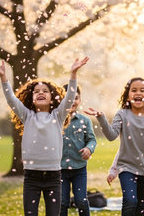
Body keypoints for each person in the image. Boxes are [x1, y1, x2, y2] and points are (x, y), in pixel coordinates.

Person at [0, 57, 89, 216]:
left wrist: (73, 74)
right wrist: (3, 78)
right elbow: (11, 99)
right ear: (31, 98)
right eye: (36, 91)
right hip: (31, 177)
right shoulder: (27, 116)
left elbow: (69, 98)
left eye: (45, 91)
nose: (40, 93)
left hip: (54, 177)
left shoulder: (58, 116)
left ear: (52, 96)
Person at [84, 77, 144, 216]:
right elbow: (111, 136)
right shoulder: (122, 114)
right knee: (130, 202)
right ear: (127, 96)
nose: (138, 93)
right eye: (133, 90)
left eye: (142, 90)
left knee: (142, 207)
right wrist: (102, 118)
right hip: (127, 167)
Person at [61, 84, 97, 216]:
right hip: (60, 169)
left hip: (79, 168)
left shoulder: (85, 121)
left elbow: (92, 140)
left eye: (75, 98)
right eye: (67, 98)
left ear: (80, 100)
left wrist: (89, 148)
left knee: (81, 200)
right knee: (62, 202)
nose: (71, 101)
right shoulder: (56, 120)